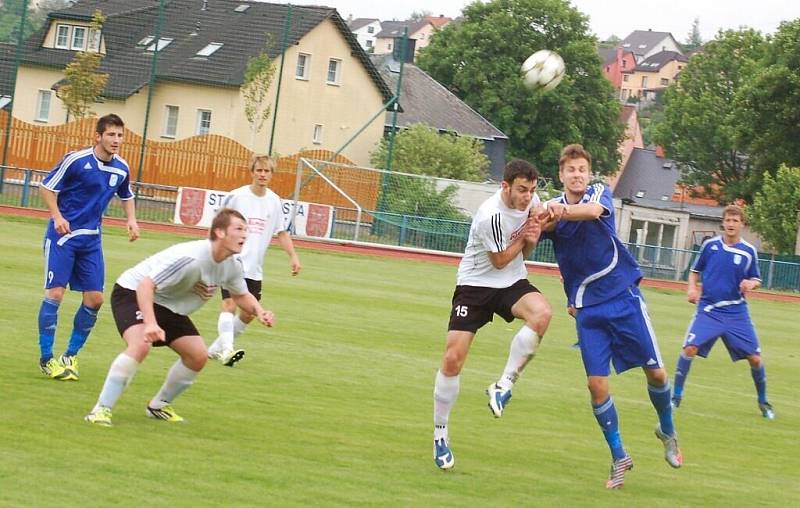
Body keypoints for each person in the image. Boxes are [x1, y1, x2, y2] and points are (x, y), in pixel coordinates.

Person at [541, 144, 681, 489]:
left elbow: (590, 212)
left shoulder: (598, 193)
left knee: (658, 374)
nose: (577, 175)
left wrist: (554, 211)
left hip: (623, 297)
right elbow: (559, 255)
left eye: (581, 169)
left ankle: (667, 428)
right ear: (561, 175)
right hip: (588, 309)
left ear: (588, 173)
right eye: (570, 170)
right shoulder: (552, 212)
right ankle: (619, 456)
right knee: (596, 385)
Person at [84, 208, 275, 427]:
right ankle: (101, 410)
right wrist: (150, 323)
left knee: (198, 355)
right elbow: (146, 285)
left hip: (168, 305)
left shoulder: (231, 265)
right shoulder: (191, 259)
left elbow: (241, 295)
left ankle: (158, 405)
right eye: (239, 229)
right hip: (133, 292)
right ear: (220, 232)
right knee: (140, 345)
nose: (245, 235)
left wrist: (259, 312)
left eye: (246, 230)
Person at [432, 159, 552, 471]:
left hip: (510, 282)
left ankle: (504, 385)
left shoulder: (532, 203)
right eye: (522, 190)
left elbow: (522, 254)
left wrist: (533, 239)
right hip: (475, 285)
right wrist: (526, 232)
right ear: (506, 186)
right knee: (452, 360)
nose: (528, 197)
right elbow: (498, 260)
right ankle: (440, 435)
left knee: (542, 314)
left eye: (532, 190)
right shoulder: (490, 215)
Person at [37, 113, 139, 381]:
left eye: (120, 135)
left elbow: (126, 195)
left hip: (91, 240)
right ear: (98, 136)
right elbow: (47, 187)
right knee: (55, 294)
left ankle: (70, 356)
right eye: (111, 134)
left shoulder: (122, 168)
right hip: (63, 238)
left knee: (95, 300)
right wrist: (57, 217)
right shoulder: (76, 160)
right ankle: (47, 358)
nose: (116, 140)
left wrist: (131, 220)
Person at [671, 205, 774, 419]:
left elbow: (756, 279)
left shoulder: (749, 251)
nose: (731, 224)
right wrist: (691, 288)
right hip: (709, 309)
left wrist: (750, 284)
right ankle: (676, 397)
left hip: (737, 312)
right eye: (728, 220)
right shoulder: (710, 246)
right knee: (689, 348)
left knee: (755, 359)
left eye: (735, 221)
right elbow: (694, 271)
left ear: (742, 224)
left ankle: (763, 402)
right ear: (723, 222)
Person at [206, 155, 301, 366]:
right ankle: (227, 351)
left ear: (272, 174)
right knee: (229, 305)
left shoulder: (274, 201)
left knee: (249, 314)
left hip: (254, 267)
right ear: (252, 172)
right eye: (259, 170)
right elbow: (217, 223)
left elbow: (281, 232)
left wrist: (293, 256)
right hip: (231, 261)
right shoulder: (236, 197)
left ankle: (214, 350)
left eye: (267, 171)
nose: (262, 175)